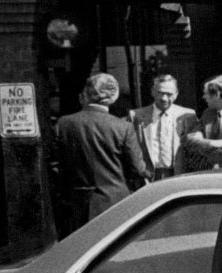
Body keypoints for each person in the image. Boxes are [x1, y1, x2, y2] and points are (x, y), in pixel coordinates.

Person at [55, 73, 146, 235]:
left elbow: (55, 165)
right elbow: (138, 169)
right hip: (114, 202)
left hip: (75, 203)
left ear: (86, 94)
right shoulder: (122, 127)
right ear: (114, 97)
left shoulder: (64, 124)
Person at [131, 74, 197, 181]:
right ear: (153, 91)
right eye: (160, 93)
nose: (164, 98)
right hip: (147, 178)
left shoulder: (188, 116)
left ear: (176, 94)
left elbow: (194, 153)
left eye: (169, 94)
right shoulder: (136, 116)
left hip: (179, 176)